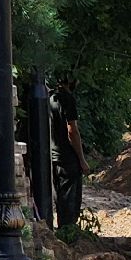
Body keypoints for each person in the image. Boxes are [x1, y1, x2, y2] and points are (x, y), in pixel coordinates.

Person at [49, 76, 88, 230]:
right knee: (70, 199)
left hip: (53, 156)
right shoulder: (67, 100)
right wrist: (82, 160)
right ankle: (68, 233)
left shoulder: (50, 98)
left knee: (59, 197)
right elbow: (72, 131)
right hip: (68, 158)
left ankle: (62, 229)